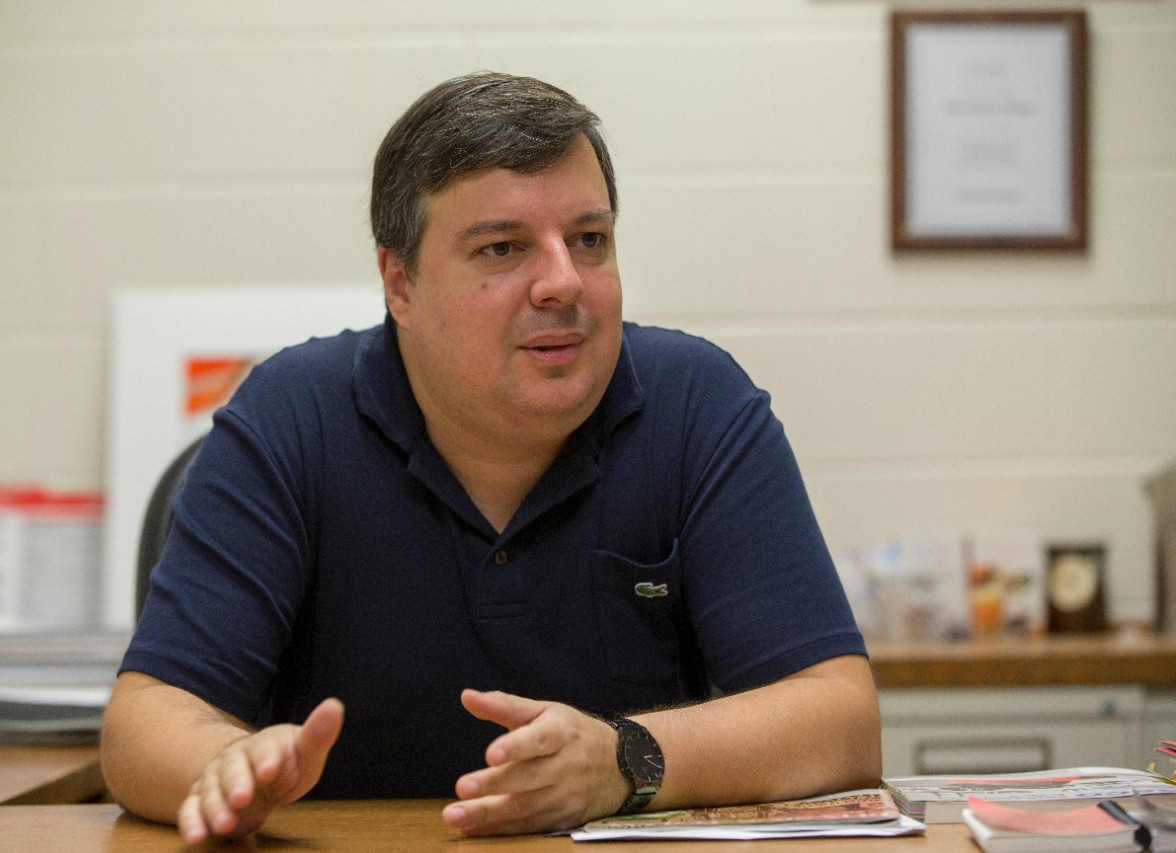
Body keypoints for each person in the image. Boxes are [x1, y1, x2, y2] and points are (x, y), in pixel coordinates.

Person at [100, 71, 881, 844]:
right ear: (400, 284)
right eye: (503, 248)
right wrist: (226, 766)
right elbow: (145, 721)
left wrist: (624, 758)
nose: (563, 282)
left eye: (590, 240)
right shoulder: (290, 415)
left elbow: (840, 718)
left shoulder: (697, 403)